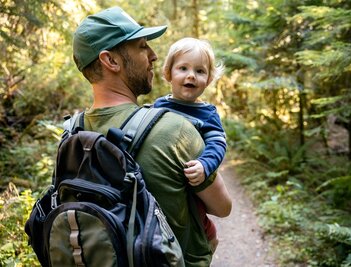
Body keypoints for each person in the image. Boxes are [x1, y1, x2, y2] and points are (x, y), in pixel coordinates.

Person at [72, 6, 232, 267]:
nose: (154, 56)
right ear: (110, 61)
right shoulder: (173, 129)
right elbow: (223, 208)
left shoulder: (75, 133)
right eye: (143, 46)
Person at [153, 37, 226, 253]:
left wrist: (205, 165)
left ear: (209, 79)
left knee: (201, 227)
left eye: (200, 71)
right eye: (183, 68)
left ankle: (205, 247)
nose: (191, 75)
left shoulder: (207, 113)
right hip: (164, 181)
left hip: (194, 181)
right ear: (169, 74)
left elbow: (217, 142)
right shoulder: (158, 106)